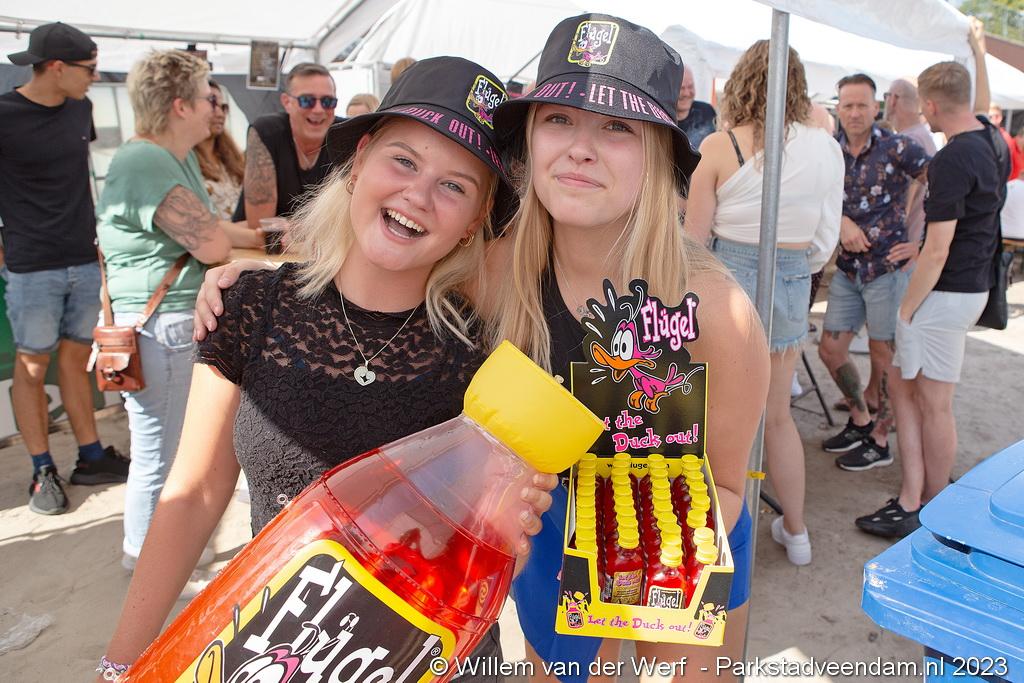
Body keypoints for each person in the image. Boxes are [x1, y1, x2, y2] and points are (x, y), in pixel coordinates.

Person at [193, 15, 769, 678]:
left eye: (617, 127)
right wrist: (265, 278)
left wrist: (631, 581)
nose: (581, 149)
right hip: (548, 540)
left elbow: (728, 483)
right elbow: (376, 265)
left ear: (659, 155)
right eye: (560, 119)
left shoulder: (718, 311)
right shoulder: (492, 273)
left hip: (686, 547)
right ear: (530, 138)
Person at [99, 56, 548, 683]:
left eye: (455, 186)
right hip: (274, 652)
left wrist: (509, 538)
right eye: (404, 160)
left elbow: (481, 559)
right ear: (359, 160)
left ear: (477, 218)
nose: (417, 195)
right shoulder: (249, 305)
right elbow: (194, 492)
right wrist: (120, 663)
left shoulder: (486, 356)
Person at [96, 49, 261, 574]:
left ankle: (162, 554)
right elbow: (212, 244)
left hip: (168, 321)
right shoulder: (147, 160)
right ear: (180, 106)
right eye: (207, 96)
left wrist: (260, 232)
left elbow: (212, 230)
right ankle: (145, 557)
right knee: (162, 455)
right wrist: (244, 237)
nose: (215, 106)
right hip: (159, 325)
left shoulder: (173, 156)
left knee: (171, 450)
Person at [686, 40, 843, 565]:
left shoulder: (718, 146)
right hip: (794, 276)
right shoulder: (825, 147)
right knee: (777, 416)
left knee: (714, 416)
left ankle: (708, 537)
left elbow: (693, 243)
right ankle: (797, 534)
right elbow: (825, 238)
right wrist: (793, 266)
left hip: (726, 279)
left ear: (741, 82)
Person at [856, 60, 1010, 539]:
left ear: (930, 104)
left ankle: (929, 506)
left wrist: (906, 310)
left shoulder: (953, 158)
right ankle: (916, 495)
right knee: (905, 386)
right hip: (967, 287)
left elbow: (938, 248)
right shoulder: (991, 139)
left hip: (946, 293)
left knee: (934, 402)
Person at [0, 21, 129, 516]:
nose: (95, 77)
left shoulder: (81, 109)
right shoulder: (4, 114)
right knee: (32, 367)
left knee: (76, 362)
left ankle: (91, 456)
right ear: (55, 67)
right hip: (32, 267)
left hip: (83, 258)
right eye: (89, 69)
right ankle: (42, 470)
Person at [818, 72, 930, 473]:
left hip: (888, 269)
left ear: (877, 107)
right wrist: (841, 221)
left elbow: (943, 186)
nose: (854, 113)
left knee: (885, 357)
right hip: (848, 271)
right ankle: (861, 419)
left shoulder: (898, 147)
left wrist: (923, 244)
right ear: (838, 108)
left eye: (862, 105)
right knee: (830, 350)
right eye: (847, 105)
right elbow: (817, 197)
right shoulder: (829, 150)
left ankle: (881, 440)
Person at [233, 62, 340, 230]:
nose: (318, 110)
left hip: (318, 244)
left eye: (328, 101)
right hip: (259, 244)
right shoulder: (266, 132)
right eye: (307, 101)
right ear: (287, 102)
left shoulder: (346, 134)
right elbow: (261, 224)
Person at [883, 78, 938, 247]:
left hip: (902, 245)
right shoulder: (924, 137)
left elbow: (903, 200)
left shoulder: (905, 142)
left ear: (893, 99)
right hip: (917, 241)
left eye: (886, 96)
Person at [195, 80, 244, 220]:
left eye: (223, 107)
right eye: (212, 104)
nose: (220, 114)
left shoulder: (233, 156)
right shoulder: (185, 159)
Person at [675, 64, 716, 149]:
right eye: (681, 88)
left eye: (690, 87)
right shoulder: (662, 120)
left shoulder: (707, 111)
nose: (686, 93)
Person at [988, 104, 1022, 181]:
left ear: (998, 118)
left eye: (989, 117)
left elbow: (1006, 167)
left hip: (997, 182)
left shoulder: (1005, 138)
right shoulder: (989, 135)